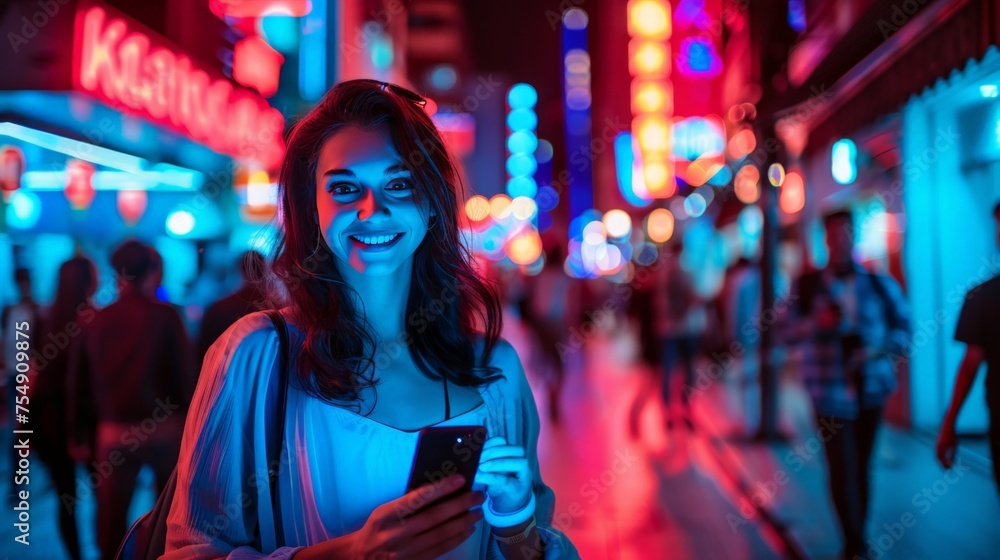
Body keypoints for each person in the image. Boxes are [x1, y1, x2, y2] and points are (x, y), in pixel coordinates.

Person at [163, 80, 578, 559]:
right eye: (343, 187)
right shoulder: (256, 356)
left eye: (399, 184)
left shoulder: (494, 372)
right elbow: (188, 551)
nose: (372, 210)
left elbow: (529, 543)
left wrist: (515, 525)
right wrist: (353, 553)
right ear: (310, 206)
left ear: (431, 203)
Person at [68, 240, 196, 559]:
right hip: (165, 428)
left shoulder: (94, 320)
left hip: (113, 431)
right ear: (152, 271)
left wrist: (77, 432)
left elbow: (78, 383)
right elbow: (186, 376)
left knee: (110, 518)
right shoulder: (166, 316)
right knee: (171, 515)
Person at [793, 209, 911, 559]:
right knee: (839, 466)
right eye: (832, 234)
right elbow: (781, 332)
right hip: (827, 390)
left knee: (861, 465)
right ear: (825, 239)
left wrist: (877, 349)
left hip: (869, 388)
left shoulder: (877, 283)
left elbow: (905, 329)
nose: (839, 240)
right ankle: (854, 542)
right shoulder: (808, 286)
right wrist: (819, 323)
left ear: (853, 235)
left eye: (845, 233)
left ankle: (859, 534)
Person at [31, 256, 97, 560]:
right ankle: (107, 550)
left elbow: (31, 374)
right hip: (88, 416)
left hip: (47, 416)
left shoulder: (43, 319)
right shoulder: (95, 320)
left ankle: (75, 555)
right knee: (102, 493)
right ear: (88, 282)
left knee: (65, 497)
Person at [936, 201, 1000, 492]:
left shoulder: (983, 296)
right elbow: (971, 360)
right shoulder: (982, 297)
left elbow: (972, 360)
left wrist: (950, 423)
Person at [653, 241, 707, 430]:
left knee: (669, 371)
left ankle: (668, 412)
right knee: (689, 371)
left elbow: (658, 302)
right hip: (687, 328)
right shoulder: (688, 272)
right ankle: (686, 410)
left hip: (668, 328)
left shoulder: (663, 273)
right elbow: (694, 297)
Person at [196, 250, 267, 364]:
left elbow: (203, 353)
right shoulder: (275, 308)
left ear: (238, 271)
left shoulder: (219, 309)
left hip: (225, 374)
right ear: (265, 271)